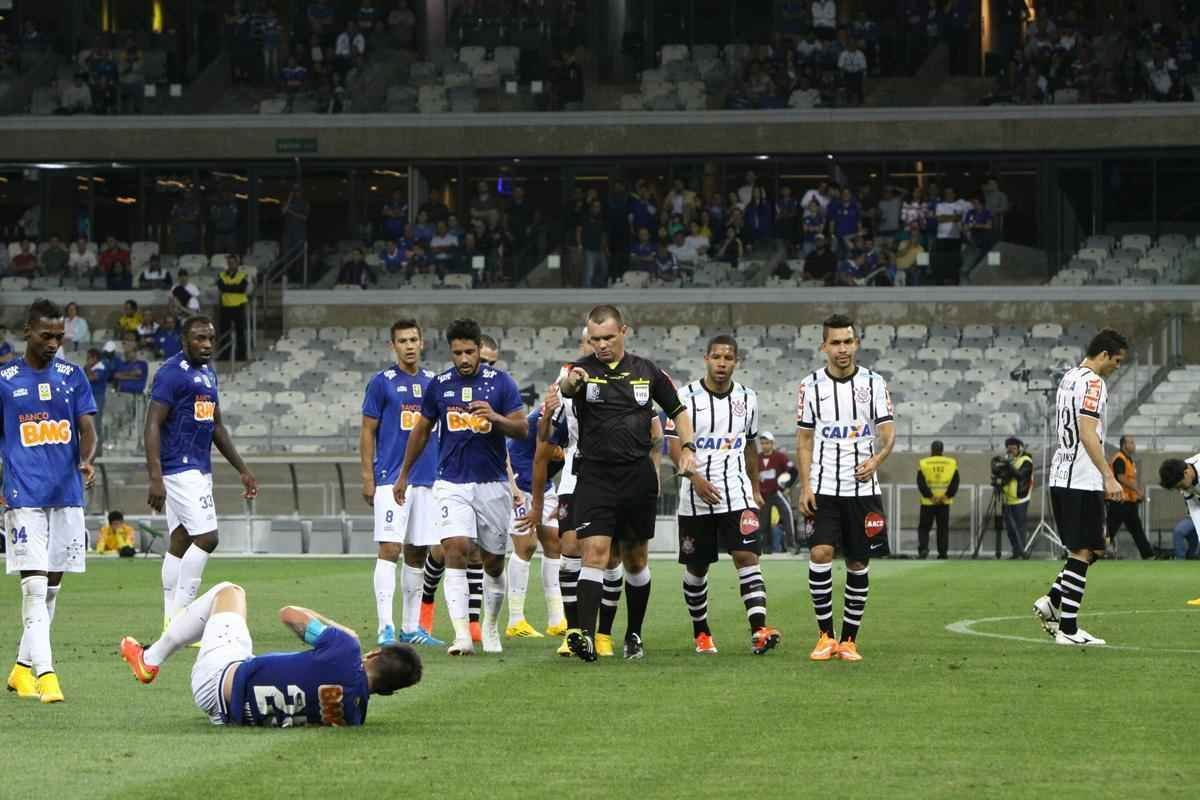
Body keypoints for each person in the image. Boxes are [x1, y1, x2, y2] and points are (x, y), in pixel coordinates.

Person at [558, 305, 697, 661]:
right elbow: (567, 385)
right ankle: (586, 638)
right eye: (595, 339)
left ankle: (633, 634)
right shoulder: (581, 370)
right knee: (595, 553)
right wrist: (572, 382)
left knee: (635, 560)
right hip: (595, 476)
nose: (601, 345)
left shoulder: (647, 371)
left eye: (607, 337)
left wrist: (688, 449)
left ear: (624, 332)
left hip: (637, 475)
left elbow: (678, 411)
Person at [392, 319, 528, 655]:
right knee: (455, 546)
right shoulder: (439, 386)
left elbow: (523, 429)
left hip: (492, 484)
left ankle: (491, 626)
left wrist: (496, 418)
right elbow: (421, 430)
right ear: (450, 352)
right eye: (458, 352)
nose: (464, 358)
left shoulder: (501, 383)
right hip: (451, 482)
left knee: (493, 562)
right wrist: (404, 473)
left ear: (480, 349)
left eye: (469, 351)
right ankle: (462, 636)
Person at [119, 583, 422, 725]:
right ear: (388, 693)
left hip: (217, 678)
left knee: (230, 592)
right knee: (245, 648)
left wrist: (343, 631)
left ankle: (150, 659)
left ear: (373, 654)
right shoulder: (355, 715)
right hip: (231, 711)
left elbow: (288, 614)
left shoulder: (346, 650)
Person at [1, 299, 98, 703]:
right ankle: (46, 674)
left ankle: (21, 670)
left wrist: (86, 461)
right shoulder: (5, 379)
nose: (55, 342)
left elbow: (87, 428)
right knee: (35, 588)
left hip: (66, 494)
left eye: (60, 336)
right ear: (27, 331)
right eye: (47, 335)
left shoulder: (72, 376)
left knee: (52, 587)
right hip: (24, 494)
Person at [665, 335, 779, 656]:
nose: (722, 363)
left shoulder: (748, 398)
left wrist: (755, 488)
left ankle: (759, 630)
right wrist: (694, 477)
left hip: (736, 493)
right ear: (706, 358)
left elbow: (751, 447)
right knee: (698, 567)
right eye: (716, 357)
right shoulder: (685, 396)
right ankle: (701, 632)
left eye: (728, 358)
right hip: (695, 495)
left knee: (747, 557)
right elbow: (673, 444)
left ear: (736, 362)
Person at [145, 317, 259, 634]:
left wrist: (242, 469)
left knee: (181, 538)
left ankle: (171, 618)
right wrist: (155, 475)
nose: (207, 344)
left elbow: (217, 427)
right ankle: (183, 621)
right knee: (208, 538)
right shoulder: (171, 374)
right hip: (179, 467)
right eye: (199, 339)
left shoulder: (208, 374)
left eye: (210, 338)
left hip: (198, 466)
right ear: (184, 340)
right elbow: (152, 423)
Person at [796, 313, 896, 663]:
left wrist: (877, 459)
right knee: (820, 553)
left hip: (862, 490)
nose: (842, 349)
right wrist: (806, 484)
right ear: (824, 346)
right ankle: (825, 636)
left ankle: (849, 640)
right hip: (823, 487)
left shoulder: (875, 384)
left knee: (857, 561)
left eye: (848, 341)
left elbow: (887, 433)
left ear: (857, 344)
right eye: (835, 342)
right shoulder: (810, 386)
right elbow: (804, 440)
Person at [1032, 329, 1128, 646]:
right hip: (1081, 479)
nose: (1117, 367)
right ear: (1103, 355)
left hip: (1062, 474)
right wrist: (1109, 476)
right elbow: (1087, 432)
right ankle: (1069, 630)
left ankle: (1052, 600)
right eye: (1116, 360)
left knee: (1095, 548)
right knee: (1082, 552)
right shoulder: (1093, 383)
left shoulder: (1069, 377)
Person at [360, 320, 444, 647]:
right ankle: (386, 626)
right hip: (391, 479)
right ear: (392, 346)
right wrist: (368, 476)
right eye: (402, 341)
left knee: (417, 552)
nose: (409, 345)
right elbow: (367, 431)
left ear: (422, 343)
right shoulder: (382, 383)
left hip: (427, 479)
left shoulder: (434, 384)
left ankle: (411, 627)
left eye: (413, 340)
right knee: (389, 548)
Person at [502, 397, 567, 639]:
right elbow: (544, 444)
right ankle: (516, 620)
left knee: (554, 543)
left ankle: (556, 619)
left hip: (543, 483)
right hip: (519, 480)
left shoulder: (580, 416)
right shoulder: (552, 411)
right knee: (526, 545)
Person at [1107, 435, 1153, 559]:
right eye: (1131, 442)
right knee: (1110, 530)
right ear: (1124, 445)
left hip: (1129, 501)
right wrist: (1137, 490)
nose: (1134, 445)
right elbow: (1121, 477)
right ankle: (1096, 551)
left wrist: (1136, 494)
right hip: (1119, 501)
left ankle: (1148, 555)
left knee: (1137, 530)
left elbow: (1129, 479)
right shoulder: (1119, 458)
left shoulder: (1129, 460)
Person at [757, 432, 798, 553]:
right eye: (762, 443)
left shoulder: (779, 457)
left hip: (777, 493)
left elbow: (793, 471)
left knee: (787, 515)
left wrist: (788, 487)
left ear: (772, 443)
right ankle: (766, 548)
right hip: (763, 495)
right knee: (763, 523)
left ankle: (792, 545)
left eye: (767, 443)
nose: (764, 446)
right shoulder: (757, 458)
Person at [916, 440, 959, 559]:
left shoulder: (924, 463)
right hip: (944, 502)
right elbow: (955, 482)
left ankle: (923, 549)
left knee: (924, 528)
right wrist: (947, 495)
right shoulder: (951, 463)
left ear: (931, 449)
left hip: (928, 502)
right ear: (942, 450)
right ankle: (943, 553)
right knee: (943, 529)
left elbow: (920, 482)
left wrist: (930, 496)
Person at [999, 436, 1033, 558]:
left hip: (1020, 499)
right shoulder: (1009, 461)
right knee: (1010, 528)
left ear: (1019, 448)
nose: (1011, 451)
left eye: (1013, 448)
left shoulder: (1026, 460)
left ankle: (1022, 551)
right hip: (1007, 498)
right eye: (1009, 449)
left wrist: (1007, 465)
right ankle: (1015, 551)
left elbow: (1020, 475)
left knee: (1019, 527)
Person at [217, 255, 251, 361]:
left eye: (233, 262)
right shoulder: (221, 275)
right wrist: (234, 287)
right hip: (225, 306)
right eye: (229, 262)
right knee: (224, 332)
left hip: (239, 306)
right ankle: (224, 355)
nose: (231, 264)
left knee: (240, 332)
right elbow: (221, 287)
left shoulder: (243, 275)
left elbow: (241, 289)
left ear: (237, 264)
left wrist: (228, 288)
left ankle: (241, 356)